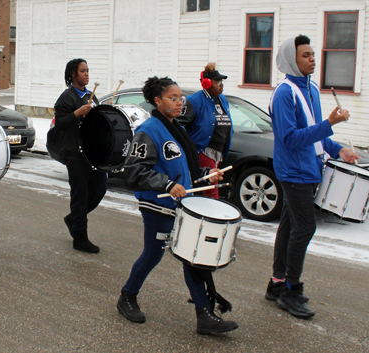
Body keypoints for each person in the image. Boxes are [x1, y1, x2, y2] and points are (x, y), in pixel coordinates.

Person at [116, 76, 238, 335]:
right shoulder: (148, 130)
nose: (180, 102)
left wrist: (206, 175)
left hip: (180, 205)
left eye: (181, 97)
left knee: (191, 258)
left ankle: (204, 315)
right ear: (157, 100)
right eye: (173, 98)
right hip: (157, 205)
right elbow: (135, 171)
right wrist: (167, 184)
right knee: (153, 254)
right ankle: (127, 296)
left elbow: (182, 169)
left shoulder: (176, 128)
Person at [265, 35, 360, 318]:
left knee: (289, 226)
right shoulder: (284, 93)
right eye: (305, 55)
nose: (312, 59)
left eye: (313, 54)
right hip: (293, 172)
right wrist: (330, 123)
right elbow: (291, 139)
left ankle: (276, 283)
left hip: (309, 169)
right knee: (305, 228)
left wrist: (337, 148)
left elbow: (314, 135)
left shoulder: (311, 88)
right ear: (290, 59)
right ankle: (291, 291)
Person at [51, 58, 106, 253]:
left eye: (87, 70)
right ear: (73, 74)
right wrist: (76, 114)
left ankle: (73, 218)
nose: (86, 74)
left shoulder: (91, 96)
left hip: (91, 154)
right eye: (82, 71)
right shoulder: (67, 97)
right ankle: (80, 238)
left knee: (99, 189)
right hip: (74, 153)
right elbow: (59, 123)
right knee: (80, 196)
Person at [177, 63, 233, 199]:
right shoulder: (193, 101)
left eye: (221, 82)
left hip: (219, 151)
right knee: (211, 187)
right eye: (217, 82)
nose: (221, 85)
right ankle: (212, 215)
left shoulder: (222, 99)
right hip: (203, 149)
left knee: (212, 184)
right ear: (206, 84)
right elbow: (180, 125)